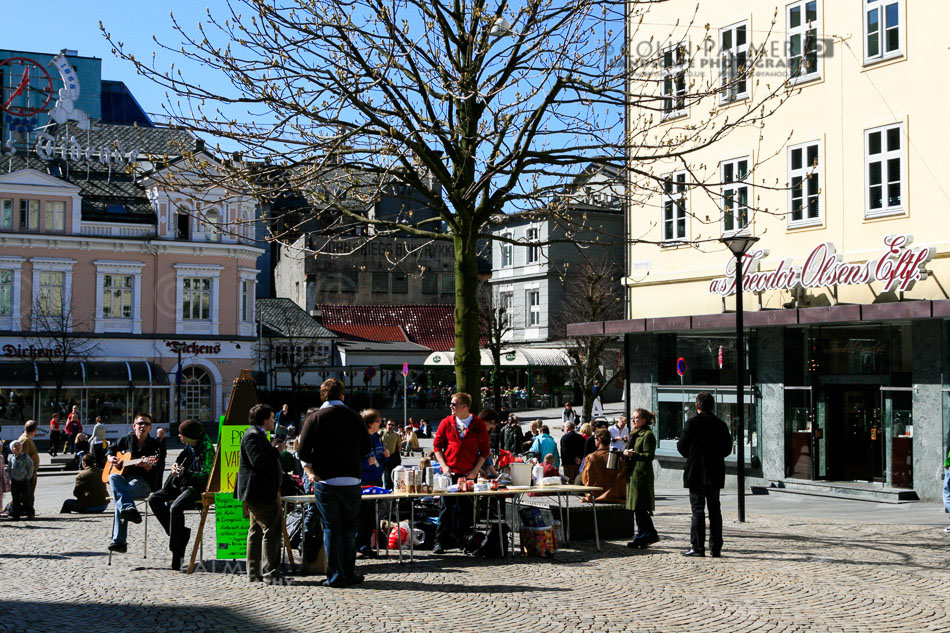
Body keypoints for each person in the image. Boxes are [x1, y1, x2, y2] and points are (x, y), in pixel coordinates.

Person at [297, 378, 370, 588]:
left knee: (331, 528)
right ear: (343, 395)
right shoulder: (355, 417)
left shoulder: (315, 418)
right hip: (351, 479)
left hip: (326, 480)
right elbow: (365, 450)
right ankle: (349, 573)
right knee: (349, 529)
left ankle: (335, 576)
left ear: (322, 396)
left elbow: (302, 452)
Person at [149, 419, 214, 570]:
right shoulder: (189, 445)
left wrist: (186, 472)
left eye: (181, 433)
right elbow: (182, 458)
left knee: (175, 508)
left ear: (190, 435)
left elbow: (205, 475)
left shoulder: (207, 448)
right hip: (182, 482)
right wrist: (175, 466)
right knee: (154, 498)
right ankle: (180, 535)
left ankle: (177, 549)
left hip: (196, 487)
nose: (178, 436)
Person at [432, 392, 490, 554]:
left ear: (465, 406)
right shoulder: (446, 422)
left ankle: (464, 540)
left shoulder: (477, 424)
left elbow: (484, 451)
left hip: (468, 474)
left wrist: (475, 470)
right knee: (446, 507)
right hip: (450, 473)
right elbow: (437, 447)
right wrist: (444, 466)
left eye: (454, 404)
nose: (451, 406)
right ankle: (440, 541)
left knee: (465, 508)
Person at [677, 391, 733, 558]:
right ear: (712, 406)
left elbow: (682, 446)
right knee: (715, 510)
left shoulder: (692, 423)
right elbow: (727, 449)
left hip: (696, 472)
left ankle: (698, 547)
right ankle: (715, 547)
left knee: (698, 510)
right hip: (715, 472)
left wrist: (692, 455)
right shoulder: (721, 424)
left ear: (697, 406)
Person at [235, 404, 285, 583]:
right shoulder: (252, 435)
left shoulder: (257, 435)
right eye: (272, 418)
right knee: (271, 529)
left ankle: (254, 572)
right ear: (264, 419)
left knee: (256, 531)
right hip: (259, 491)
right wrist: (277, 451)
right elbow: (257, 460)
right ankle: (269, 571)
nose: (274, 421)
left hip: (258, 490)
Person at [106, 414, 162, 553]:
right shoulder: (127, 439)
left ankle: (119, 541)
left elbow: (156, 465)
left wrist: (146, 465)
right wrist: (110, 458)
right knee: (113, 477)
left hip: (144, 482)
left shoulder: (156, 445)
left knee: (121, 498)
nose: (142, 426)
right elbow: (111, 450)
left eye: (146, 424)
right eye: (140, 423)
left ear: (150, 428)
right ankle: (130, 509)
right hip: (125, 478)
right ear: (134, 426)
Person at [624, 408, 658, 549]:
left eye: (636, 418)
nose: (633, 420)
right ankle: (646, 534)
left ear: (644, 419)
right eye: (632, 418)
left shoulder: (647, 435)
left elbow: (649, 455)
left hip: (641, 475)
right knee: (637, 507)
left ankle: (645, 535)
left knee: (640, 506)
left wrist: (634, 455)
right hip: (633, 473)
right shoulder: (634, 434)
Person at [356, 409, 388, 558]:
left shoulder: (377, 437)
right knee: (361, 515)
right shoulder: (359, 438)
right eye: (377, 421)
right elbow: (352, 460)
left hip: (376, 478)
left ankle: (366, 545)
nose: (380, 423)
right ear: (369, 424)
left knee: (371, 516)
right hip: (364, 480)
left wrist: (386, 456)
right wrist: (364, 463)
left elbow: (380, 459)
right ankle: (357, 545)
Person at [580, 428, 627, 503]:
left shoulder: (591, 457)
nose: (594, 440)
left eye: (595, 438)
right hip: (614, 495)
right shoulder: (616, 457)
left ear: (599, 440)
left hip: (596, 496)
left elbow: (586, 479)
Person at [17, 421, 40, 519]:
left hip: (31, 471)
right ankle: (26, 511)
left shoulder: (27, 439)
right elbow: (22, 458)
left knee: (29, 493)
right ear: (34, 430)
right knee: (27, 493)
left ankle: (28, 510)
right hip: (28, 473)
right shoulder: (25, 440)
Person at [6, 441, 34, 519]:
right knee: (15, 499)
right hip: (15, 481)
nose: (18, 447)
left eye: (19, 446)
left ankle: (30, 513)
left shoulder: (26, 457)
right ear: (12, 449)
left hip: (24, 481)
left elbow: (31, 467)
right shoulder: (12, 459)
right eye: (15, 446)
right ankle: (16, 514)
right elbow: (8, 469)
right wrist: (10, 477)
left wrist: (28, 477)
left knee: (26, 498)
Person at [379, 419, 402, 489]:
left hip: (392, 457)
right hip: (382, 457)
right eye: (389, 424)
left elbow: (399, 446)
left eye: (392, 425)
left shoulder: (396, 435)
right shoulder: (381, 433)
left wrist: (397, 455)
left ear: (394, 426)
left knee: (389, 476)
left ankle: (390, 490)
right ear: (386, 425)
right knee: (379, 475)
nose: (390, 426)